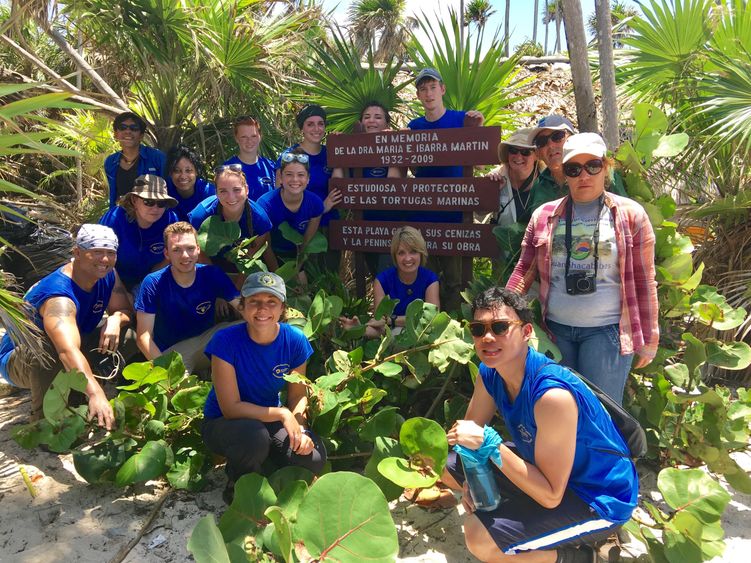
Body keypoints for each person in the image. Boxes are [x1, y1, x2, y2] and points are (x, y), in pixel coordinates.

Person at [443, 286, 638, 563]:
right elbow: (466, 442)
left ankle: (582, 557)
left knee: (480, 539)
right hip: (550, 470)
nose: (487, 337)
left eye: (500, 327)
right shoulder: (490, 372)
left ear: (526, 332)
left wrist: (491, 443)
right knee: (451, 467)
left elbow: (550, 496)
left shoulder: (551, 397)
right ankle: (534, 521)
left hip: (597, 496)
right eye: (478, 329)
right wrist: (470, 484)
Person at [506, 133, 658, 404]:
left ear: (605, 167)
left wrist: (649, 338)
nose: (584, 175)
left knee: (602, 416)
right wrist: (500, 316)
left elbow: (645, 280)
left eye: (593, 166)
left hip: (606, 333)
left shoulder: (631, 215)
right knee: (555, 413)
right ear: (563, 174)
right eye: (574, 169)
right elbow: (523, 271)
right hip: (555, 332)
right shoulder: (544, 216)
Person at [201, 271, 327, 503]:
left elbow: (298, 395)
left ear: (282, 309)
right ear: (242, 306)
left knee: (314, 458)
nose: (262, 310)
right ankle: (239, 485)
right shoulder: (225, 341)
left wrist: (300, 428)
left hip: (267, 419)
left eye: (271, 302)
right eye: (254, 302)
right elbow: (230, 408)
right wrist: (282, 413)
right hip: (224, 423)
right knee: (254, 438)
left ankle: (266, 463)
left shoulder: (295, 340)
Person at [0, 225, 134, 429]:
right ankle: (45, 423)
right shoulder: (59, 297)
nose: (104, 260)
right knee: (48, 349)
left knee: (127, 336)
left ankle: (78, 388)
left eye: (110, 253)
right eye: (96, 252)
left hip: (75, 340)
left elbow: (124, 309)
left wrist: (116, 319)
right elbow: (66, 350)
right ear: (77, 253)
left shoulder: (107, 274)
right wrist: (95, 394)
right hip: (19, 359)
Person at [407, 68, 484, 311]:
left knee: (455, 281)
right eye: (423, 89)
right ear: (418, 95)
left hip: (455, 215)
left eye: (432, 87)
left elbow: (480, 159)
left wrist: (478, 125)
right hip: (424, 216)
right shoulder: (414, 126)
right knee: (426, 279)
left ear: (442, 89)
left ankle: (454, 327)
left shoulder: (462, 120)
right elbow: (410, 165)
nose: (428, 93)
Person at [135, 222, 241, 375]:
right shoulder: (153, 283)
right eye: (176, 250)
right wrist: (165, 373)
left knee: (250, 324)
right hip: (174, 354)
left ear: (198, 249)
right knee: (180, 395)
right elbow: (143, 337)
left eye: (190, 248)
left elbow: (243, 308)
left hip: (208, 342)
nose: (185, 256)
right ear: (166, 254)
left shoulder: (212, 274)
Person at [340, 226, 439, 338]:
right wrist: (359, 330)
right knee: (395, 333)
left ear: (421, 253)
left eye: (413, 252)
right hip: (393, 337)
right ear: (394, 256)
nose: (407, 258)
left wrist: (392, 319)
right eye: (401, 253)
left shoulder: (430, 280)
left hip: (422, 336)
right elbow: (381, 327)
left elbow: (431, 320)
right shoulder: (382, 281)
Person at [188, 163, 274, 277]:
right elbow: (198, 252)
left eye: (236, 190)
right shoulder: (201, 215)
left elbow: (250, 258)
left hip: (242, 270)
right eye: (223, 191)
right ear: (216, 192)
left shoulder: (259, 218)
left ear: (246, 190)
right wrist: (218, 279)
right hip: (208, 267)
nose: (231, 197)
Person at [528, 114, 627, 212]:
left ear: (572, 139)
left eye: (557, 136)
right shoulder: (539, 186)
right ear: (537, 153)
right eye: (542, 141)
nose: (550, 145)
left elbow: (625, 214)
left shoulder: (603, 172)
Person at [99, 174, 179, 292]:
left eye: (161, 203)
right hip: (114, 279)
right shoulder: (114, 219)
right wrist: (120, 291)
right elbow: (100, 257)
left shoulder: (170, 220)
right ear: (134, 200)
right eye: (149, 202)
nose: (155, 208)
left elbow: (175, 255)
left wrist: (146, 283)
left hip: (153, 280)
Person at [256, 148, 324, 271]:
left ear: (308, 179)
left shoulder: (315, 204)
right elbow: (264, 246)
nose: (295, 180)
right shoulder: (265, 204)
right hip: (268, 257)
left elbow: (305, 244)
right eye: (289, 174)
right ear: (280, 178)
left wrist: (296, 269)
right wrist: (279, 275)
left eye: (301, 175)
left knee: (302, 285)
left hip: (296, 257)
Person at [277, 104, 341, 227]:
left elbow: (338, 189)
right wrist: (322, 207)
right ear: (302, 129)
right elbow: (280, 198)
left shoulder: (331, 153)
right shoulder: (289, 156)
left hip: (330, 227)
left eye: (320, 124)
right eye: (310, 124)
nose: (316, 129)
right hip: (299, 228)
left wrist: (338, 148)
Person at [104, 111, 166, 209]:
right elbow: (113, 194)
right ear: (116, 134)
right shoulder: (110, 161)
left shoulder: (157, 157)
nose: (128, 131)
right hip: (121, 217)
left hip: (150, 215)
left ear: (141, 136)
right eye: (123, 127)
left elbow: (168, 191)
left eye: (134, 128)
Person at [487, 128, 541, 226]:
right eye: (513, 150)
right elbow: (479, 213)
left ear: (536, 155)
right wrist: (490, 192)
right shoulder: (497, 176)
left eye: (525, 152)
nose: (518, 156)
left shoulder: (547, 179)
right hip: (504, 241)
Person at [223, 115, 276, 202]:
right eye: (244, 137)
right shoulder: (227, 169)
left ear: (260, 136)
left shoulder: (271, 167)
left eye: (253, 136)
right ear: (236, 138)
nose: (249, 141)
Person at [165, 144, 216, 221]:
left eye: (188, 170)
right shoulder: (164, 191)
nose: (183, 176)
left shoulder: (210, 192)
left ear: (196, 172)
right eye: (177, 171)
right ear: (170, 173)